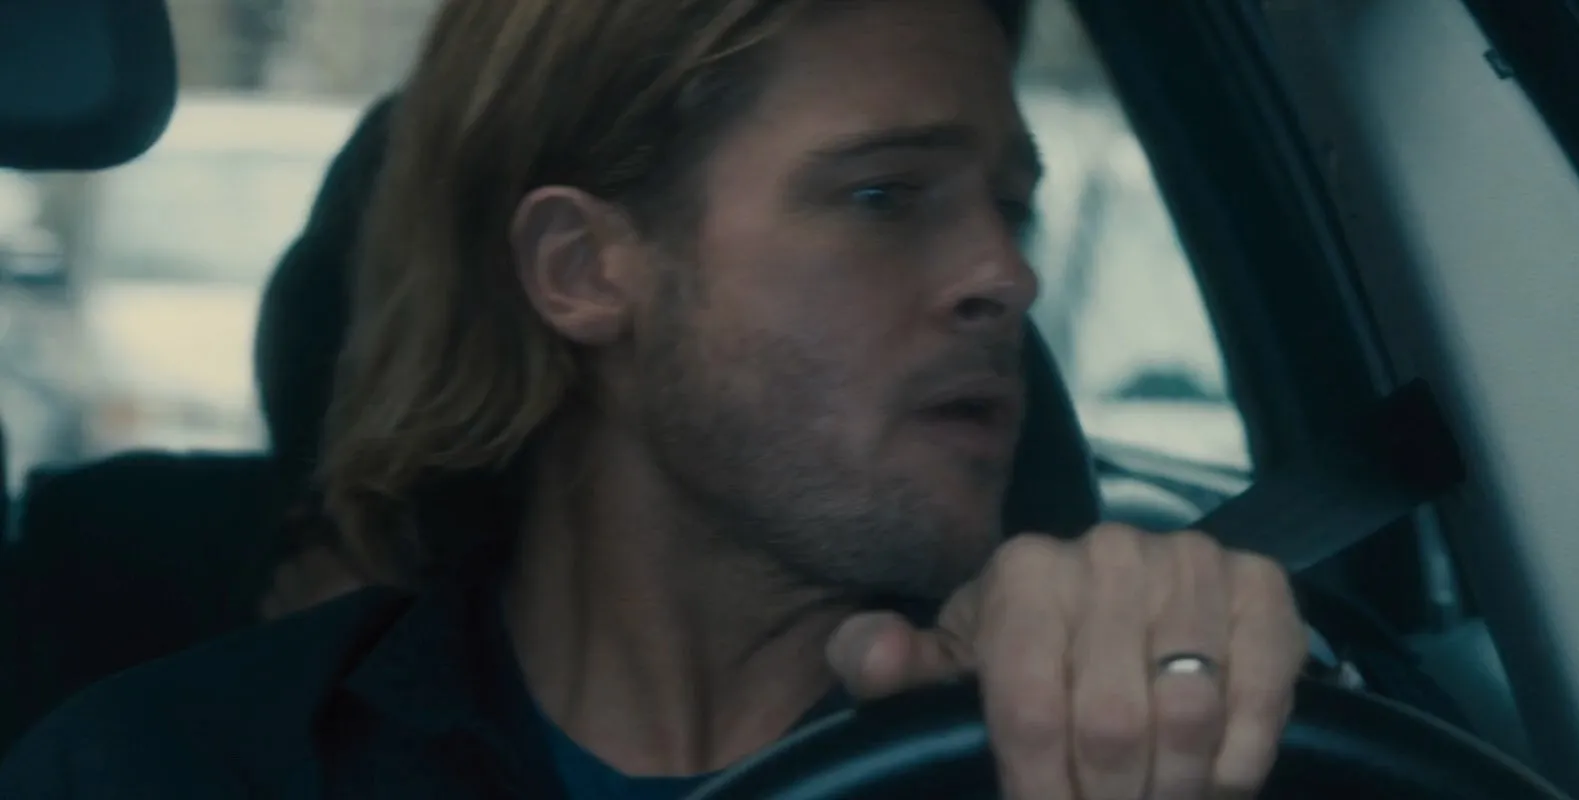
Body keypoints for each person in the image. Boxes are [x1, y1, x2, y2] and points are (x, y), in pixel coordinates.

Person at [0, 0, 1308, 797]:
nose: (1007, 275)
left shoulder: (1112, 748)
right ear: (584, 269)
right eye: (882, 196)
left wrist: (1193, 711)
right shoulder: (171, 770)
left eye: (1011, 208)